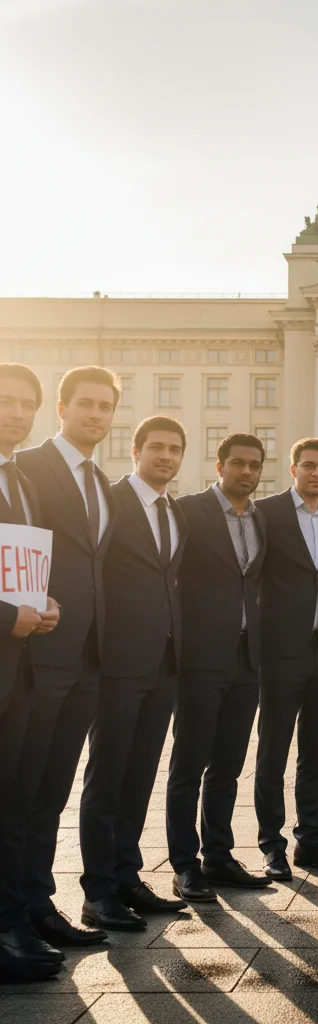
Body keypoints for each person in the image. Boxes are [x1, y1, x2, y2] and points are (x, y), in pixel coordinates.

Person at [12, 366, 120, 950]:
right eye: (85, 404)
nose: (95, 414)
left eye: (105, 406)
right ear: (61, 407)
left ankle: (38, 899)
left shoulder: (101, 480)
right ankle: (17, 909)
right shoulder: (27, 469)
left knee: (53, 788)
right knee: (25, 786)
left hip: (87, 657)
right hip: (38, 648)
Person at [79, 416, 190, 931]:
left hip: (163, 664)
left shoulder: (175, 512)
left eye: (174, 449)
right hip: (119, 661)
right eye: (157, 448)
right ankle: (97, 891)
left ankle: (126, 875)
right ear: (136, 450)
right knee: (108, 776)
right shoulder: (112, 502)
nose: (166, 456)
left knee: (141, 774)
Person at [166, 433, 271, 902]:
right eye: (238, 464)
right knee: (190, 762)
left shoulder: (260, 518)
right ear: (220, 465)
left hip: (248, 658)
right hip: (201, 657)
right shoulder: (189, 510)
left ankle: (219, 855)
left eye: (253, 465)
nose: (246, 472)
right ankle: (184, 865)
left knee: (228, 763)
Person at [254, 438, 318, 881]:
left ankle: (309, 840)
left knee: (315, 751)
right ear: (293, 469)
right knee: (273, 750)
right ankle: (271, 845)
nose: (316, 473)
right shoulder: (267, 513)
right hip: (281, 649)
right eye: (308, 465)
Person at [0, 364, 62, 980]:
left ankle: (12, 919)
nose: (17, 413)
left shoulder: (21, 480)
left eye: (26, 404)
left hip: (18, 669)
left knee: (14, 799)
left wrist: (40, 605)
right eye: (6, 402)